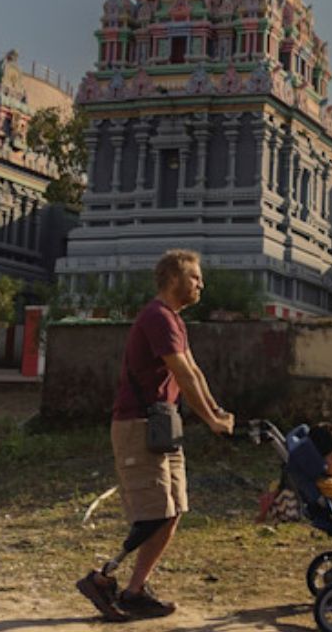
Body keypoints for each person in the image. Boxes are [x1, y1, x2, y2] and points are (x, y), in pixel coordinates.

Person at [76, 250, 235, 621]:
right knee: (154, 514)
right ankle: (102, 578)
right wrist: (210, 421)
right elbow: (181, 373)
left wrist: (217, 411)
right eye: (194, 277)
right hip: (137, 425)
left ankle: (134, 591)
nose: (201, 284)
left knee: (173, 510)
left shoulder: (174, 321)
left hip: (162, 424)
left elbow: (194, 373)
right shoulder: (157, 317)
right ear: (173, 278)